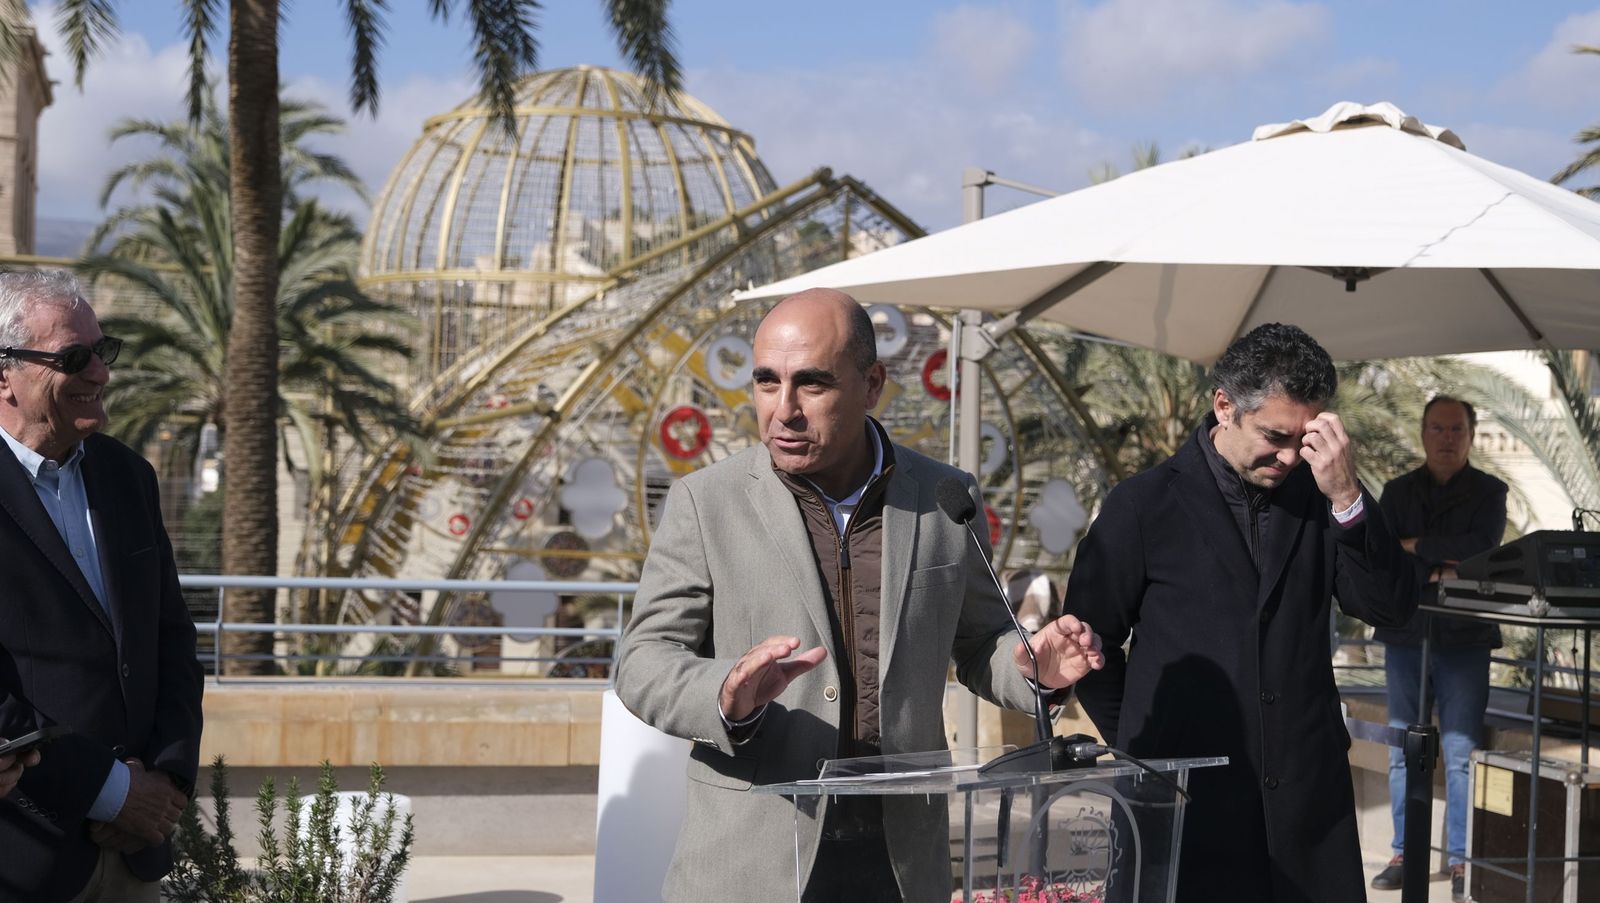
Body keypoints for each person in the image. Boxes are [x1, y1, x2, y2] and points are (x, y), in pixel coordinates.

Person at [614, 288, 1105, 902]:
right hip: (754, 861)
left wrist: (1033, 668)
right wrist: (724, 695)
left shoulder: (946, 498)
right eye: (767, 382)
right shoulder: (704, 502)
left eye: (812, 385)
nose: (782, 410)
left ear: (872, 384)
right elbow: (642, 660)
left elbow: (981, 643)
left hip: (900, 860)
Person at [1065, 322, 1415, 903]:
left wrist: (1348, 498)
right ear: (1224, 406)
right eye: (1274, 435)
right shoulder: (1142, 505)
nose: (1287, 456)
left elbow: (1389, 609)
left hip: (1308, 811)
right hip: (1184, 805)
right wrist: (1149, 748)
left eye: (1301, 440)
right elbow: (1086, 647)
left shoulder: (1325, 496)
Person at [0, 269, 204, 903]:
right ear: (4, 374)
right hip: (24, 852)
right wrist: (112, 791)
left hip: (136, 850)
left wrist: (166, 780)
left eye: (102, 352)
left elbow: (170, 636)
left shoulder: (127, 477)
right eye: (73, 357)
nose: (100, 374)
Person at [1369, 397, 1507, 901]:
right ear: (1422, 433)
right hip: (1407, 634)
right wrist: (1437, 558)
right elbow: (1381, 552)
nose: (1447, 437)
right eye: (1437, 428)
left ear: (1471, 435)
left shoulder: (1491, 492)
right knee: (1404, 747)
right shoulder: (1397, 491)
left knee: (1461, 751)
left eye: (1456, 429)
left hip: (1467, 638)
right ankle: (1406, 851)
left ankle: (1461, 861)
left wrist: (1416, 548)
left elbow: (1481, 551)